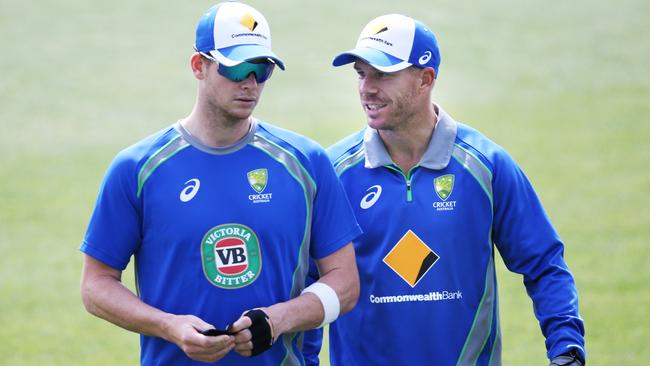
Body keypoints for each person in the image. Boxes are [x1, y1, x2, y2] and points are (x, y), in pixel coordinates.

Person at [79, 2, 361, 365]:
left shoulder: (306, 162)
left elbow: (346, 282)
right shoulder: (136, 169)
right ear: (199, 66)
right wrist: (168, 326)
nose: (250, 82)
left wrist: (279, 319)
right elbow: (96, 286)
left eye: (262, 69)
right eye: (236, 67)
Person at [306, 13, 586, 366]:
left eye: (383, 74)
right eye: (361, 74)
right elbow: (310, 286)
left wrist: (566, 349)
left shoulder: (485, 166)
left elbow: (544, 263)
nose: (367, 88)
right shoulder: (334, 173)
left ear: (426, 79)